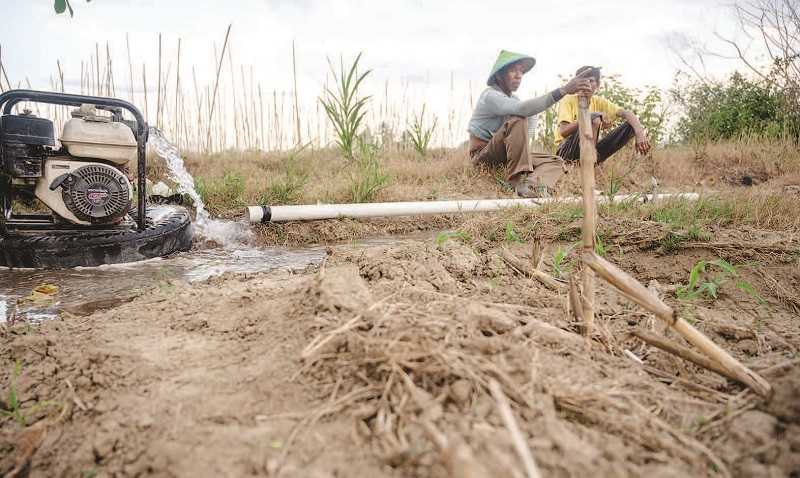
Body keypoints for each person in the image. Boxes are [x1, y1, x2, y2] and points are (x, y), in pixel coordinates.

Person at [468, 50, 592, 198]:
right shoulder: (490, 95)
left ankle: (533, 186)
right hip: (484, 156)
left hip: (506, 154)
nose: (518, 75)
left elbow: (529, 113)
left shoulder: (514, 99)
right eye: (513, 71)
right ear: (499, 75)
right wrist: (564, 90)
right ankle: (516, 181)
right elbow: (522, 110)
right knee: (518, 119)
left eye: (521, 71)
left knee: (556, 161)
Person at [553, 66, 651, 175]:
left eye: (591, 81)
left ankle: (591, 163)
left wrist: (640, 134)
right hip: (566, 152)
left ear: (598, 85)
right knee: (594, 119)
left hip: (591, 150)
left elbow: (627, 113)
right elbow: (563, 131)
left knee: (631, 125)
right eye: (582, 81)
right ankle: (587, 170)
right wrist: (590, 116)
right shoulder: (568, 100)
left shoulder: (599, 102)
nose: (586, 85)